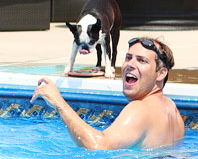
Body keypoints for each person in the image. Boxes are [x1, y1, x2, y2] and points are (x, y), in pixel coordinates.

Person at [31, 37, 185, 150]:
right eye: (128, 58)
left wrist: (59, 104)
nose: (130, 64)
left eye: (141, 60)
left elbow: (98, 146)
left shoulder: (140, 109)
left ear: (160, 74)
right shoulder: (171, 109)